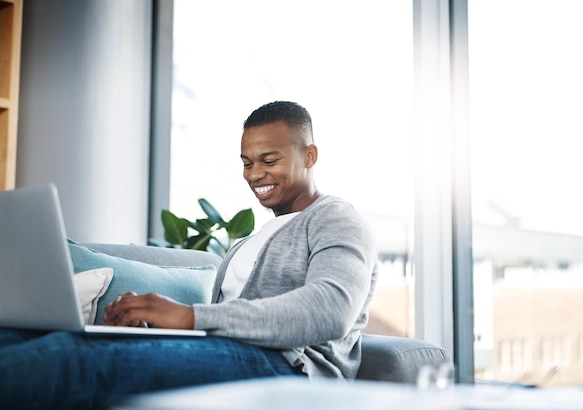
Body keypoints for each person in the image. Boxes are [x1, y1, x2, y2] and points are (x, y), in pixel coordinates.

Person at [0, 101, 378, 410]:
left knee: (73, 357)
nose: (254, 174)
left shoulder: (335, 217)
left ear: (309, 155)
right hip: (227, 352)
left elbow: (331, 311)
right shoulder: (250, 241)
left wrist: (188, 316)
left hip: (290, 370)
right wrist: (160, 331)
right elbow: (227, 326)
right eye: (247, 162)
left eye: (269, 159)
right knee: (16, 338)